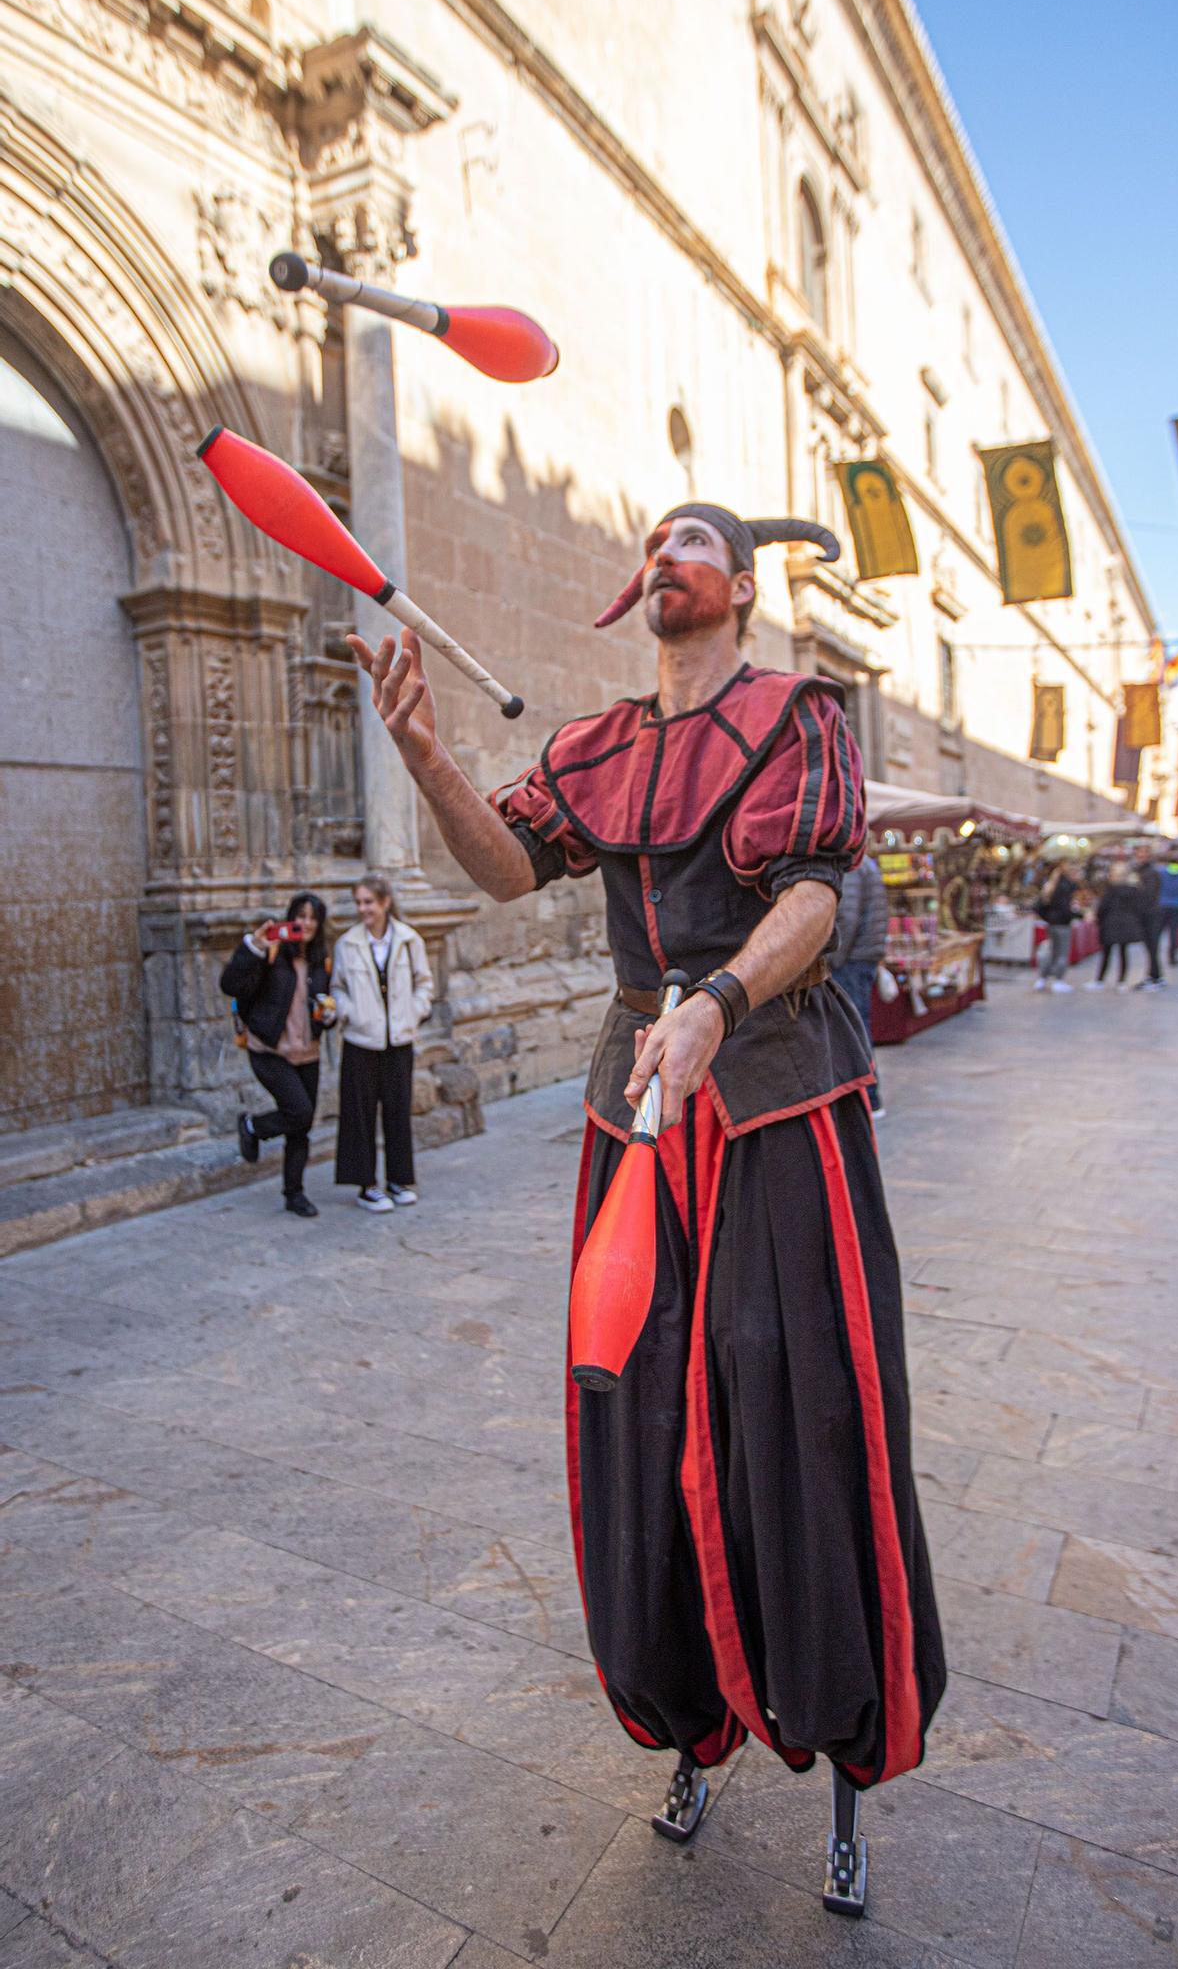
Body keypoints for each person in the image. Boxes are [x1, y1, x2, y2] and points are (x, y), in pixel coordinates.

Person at [349, 501, 945, 1918]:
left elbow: (812, 893)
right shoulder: (598, 749)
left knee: (800, 1412)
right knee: (643, 1420)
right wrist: (428, 759)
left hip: (777, 1097)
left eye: (692, 542)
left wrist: (723, 1002)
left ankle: (843, 1756)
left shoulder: (800, 713)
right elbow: (502, 867)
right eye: (654, 541)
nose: (663, 554)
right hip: (637, 1115)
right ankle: (687, 1722)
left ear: (738, 589)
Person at [222, 893, 334, 1217]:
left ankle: (294, 1193)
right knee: (300, 1112)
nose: (306, 923)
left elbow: (325, 1003)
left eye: (313, 917)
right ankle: (253, 1127)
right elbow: (230, 984)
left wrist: (330, 1016)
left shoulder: (321, 961)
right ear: (290, 919)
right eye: (300, 916)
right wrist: (252, 947)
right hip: (269, 1049)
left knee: (301, 1125)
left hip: (307, 1052)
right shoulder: (271, 954)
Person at [332, 873, 436, 1212]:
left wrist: (413, 1012)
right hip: (361, 1040)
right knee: (359, 1113)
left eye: (369, 902)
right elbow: (338, 987)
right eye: (359, 902)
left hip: (398, 1038)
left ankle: (398, 1179)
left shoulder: (408, 940)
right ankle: (365, 1184)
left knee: (397, 1110)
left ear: (385, 903)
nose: (364, 909)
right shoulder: (347, 943)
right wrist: (351, 1012)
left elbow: (424, 982)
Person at [828, 845, 889, 1113]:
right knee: (857, 1026)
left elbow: (846, 918)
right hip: (861, 957)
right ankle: (866, 1097)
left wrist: (833, 960)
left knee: (854, 1029)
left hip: (851, 960)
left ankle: (869, 1098)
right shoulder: (866, 863)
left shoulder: (853, 865)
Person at [1091, 863, 1141, 988]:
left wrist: (1098, 918)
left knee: (1107, 953)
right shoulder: (1133, 891)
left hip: (1110, 925)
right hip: (1125, 925)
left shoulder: (1110, 891)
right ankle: (1122, 981)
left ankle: (1100, 980)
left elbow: (1102, 908)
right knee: (1123, 953)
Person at [1033, 860, 1077, 992]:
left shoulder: (1051, 885)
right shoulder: (1065, 886)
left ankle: (1042, 978)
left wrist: (1048, 918)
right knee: (1061, 953)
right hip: (1062, 924)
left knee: (1051, 951)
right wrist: (1074, 915)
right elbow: (1065, 908)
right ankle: (1058, 980)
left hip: (1052, 924)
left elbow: (1039, 906)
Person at [1132, 851, 1164, 989]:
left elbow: (1148, 894)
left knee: (1152, 946)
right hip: (1149, 914)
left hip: (1150, 915)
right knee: (1150, 947)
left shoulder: (1149, 873)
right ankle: (1153, 974)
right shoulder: (1145, 872)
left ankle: (1155, 976)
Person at [1153, 856, 1178, 970]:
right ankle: (1172, 956)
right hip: (1176, 905)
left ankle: (1155, 954)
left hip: (1162, 904)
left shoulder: (1162, 872)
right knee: (1173, 932)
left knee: (1158, 932)